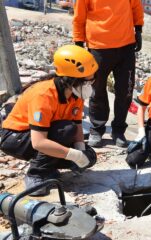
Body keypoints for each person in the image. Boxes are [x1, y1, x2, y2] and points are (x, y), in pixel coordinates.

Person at [0, 45, 98, 196]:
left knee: (90, 156)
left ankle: (49, 167)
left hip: (45, 134)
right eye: (87, 81)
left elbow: (77, 124)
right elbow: (38, 142)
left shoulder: (74, 94)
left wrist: (80, 150)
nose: (90, 85)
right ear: (72, 79)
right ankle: (36, 174)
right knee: (65, 130)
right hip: (16, 138)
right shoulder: (43, 95)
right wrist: (74, 155)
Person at [73, 0, 144, 147]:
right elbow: (79, 15)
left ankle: (118, 130)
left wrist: (138, 29)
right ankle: (97, 130)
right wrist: (79, 42)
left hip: (126, 46)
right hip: (98, 47)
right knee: (97, 91)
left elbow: (136, 6)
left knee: (125, 92)